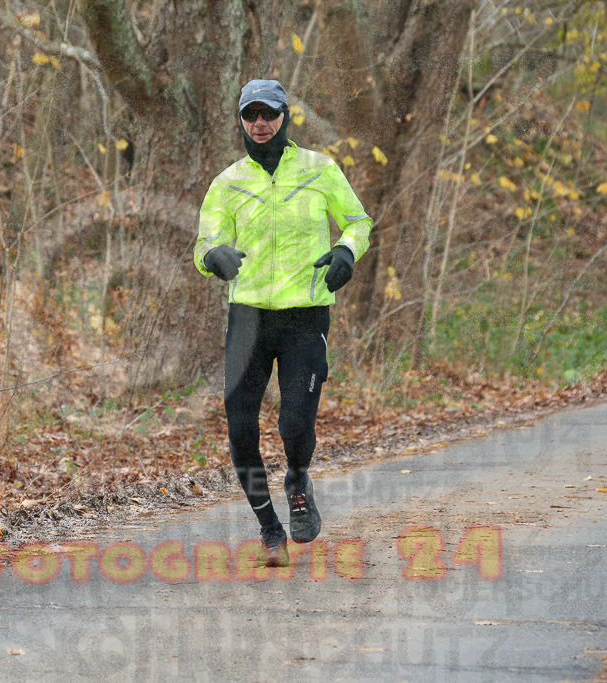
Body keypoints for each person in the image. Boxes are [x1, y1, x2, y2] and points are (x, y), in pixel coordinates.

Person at [194, 79, 372, 566]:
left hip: (304, 317)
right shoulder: (227, 183)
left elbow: (358, 221)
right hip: (248, 318)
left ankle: (297, 481)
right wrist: (215, 256)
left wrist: (345, 250)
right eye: (250, 115)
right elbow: (203, 245)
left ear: (284, 117)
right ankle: (269, 529)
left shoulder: (320, 170)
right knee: (240, 430)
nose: (259, 123)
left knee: (294, 423)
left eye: (268, 113)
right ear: (241, 122)